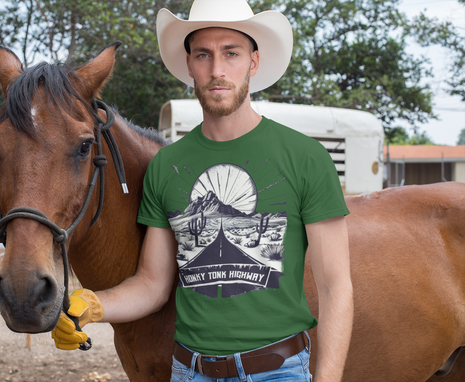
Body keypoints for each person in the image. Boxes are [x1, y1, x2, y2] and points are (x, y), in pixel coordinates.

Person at [52, 0, 354, 381]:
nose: (217, 70)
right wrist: (94, 304)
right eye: (203, 55)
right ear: (189, 66)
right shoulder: (167, 166)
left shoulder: (305, 157)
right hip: (189, 372)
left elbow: (335, 288)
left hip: (278, 372)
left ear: (253, 63)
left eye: (231, 53)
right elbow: (152, 285)